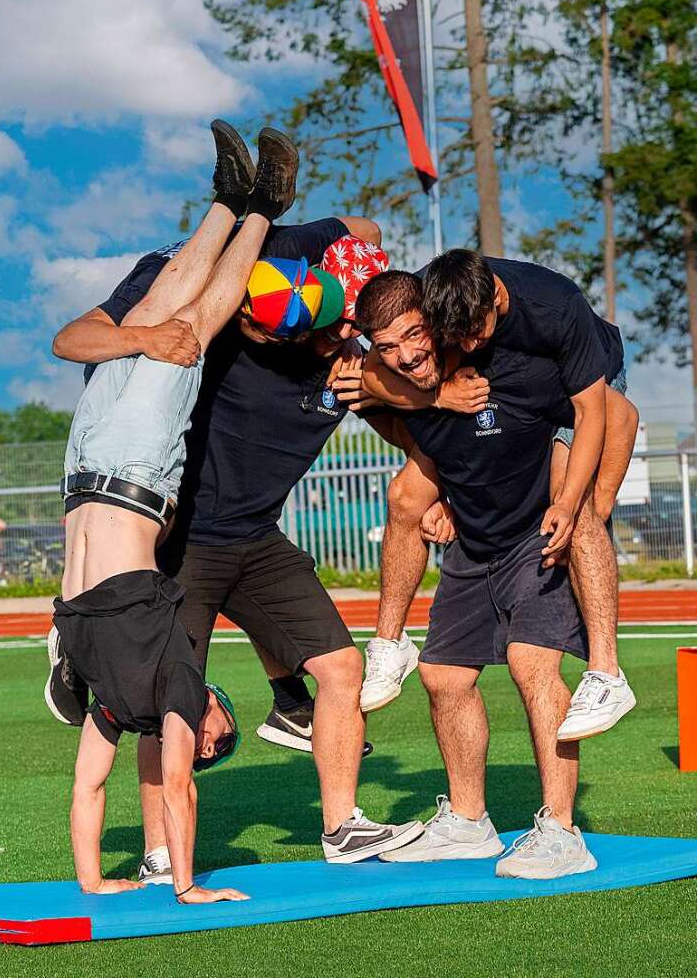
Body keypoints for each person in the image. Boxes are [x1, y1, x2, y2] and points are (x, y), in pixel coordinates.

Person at [50, 143, 423, 876]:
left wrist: (389, 406)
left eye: (309, 331)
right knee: (164, 704)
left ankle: (341, 825)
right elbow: (356, 228)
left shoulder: (347, 358)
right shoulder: (228, 308)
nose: (281, 335)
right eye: (269, 320)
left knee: (341, 670)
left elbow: (372, 246)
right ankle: (161, 852)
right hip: (181, 543)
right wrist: (273, 226)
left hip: (253, 539)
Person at [54, 119, 298, 902]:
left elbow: (104, 791)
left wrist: (148, 887)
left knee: (168, 322)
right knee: (175, 325)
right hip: (117, 477)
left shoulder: (138, 708)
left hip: (101, 467)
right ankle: (243, 208)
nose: (219, 721)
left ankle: (247, 204)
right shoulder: (144, 695)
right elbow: (107, 792)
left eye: (215, 736)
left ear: (199, 746)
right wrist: (125, 885)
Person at [348, 268, 619, 878]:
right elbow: (372, 390)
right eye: (387, 347)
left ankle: (562, 831)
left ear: (440, 325)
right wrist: (439, 481)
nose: (406, 354)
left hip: (537, 534)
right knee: (443, 676)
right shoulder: (402, 381)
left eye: (415, 336)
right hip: (473, 541)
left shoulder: (515, 365)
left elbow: (609, 412)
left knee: (532, 663)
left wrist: (579, 506)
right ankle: (469, 823)